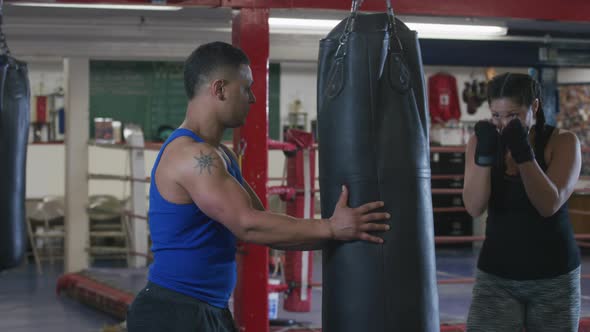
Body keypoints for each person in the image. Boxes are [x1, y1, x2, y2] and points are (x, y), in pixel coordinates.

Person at [126, 41, 391, 332]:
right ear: (220, 89)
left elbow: (264, 224)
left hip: (205, 309)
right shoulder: (192, 155)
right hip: (174, 313)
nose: (252, 98)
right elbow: (248, 225)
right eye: (246, 88)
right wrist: (330, 227)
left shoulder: (221, 155)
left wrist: (342, 233)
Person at [463, 72, 582, 331]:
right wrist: (484, 157)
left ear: (535, 107)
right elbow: (474, 207)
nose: (504, 124)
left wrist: (523, 154)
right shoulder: (480, 142)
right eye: (496, 115)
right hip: (496, 276)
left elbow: (548, 204)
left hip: (554, 276)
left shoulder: (562, 142)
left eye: (513, 115)